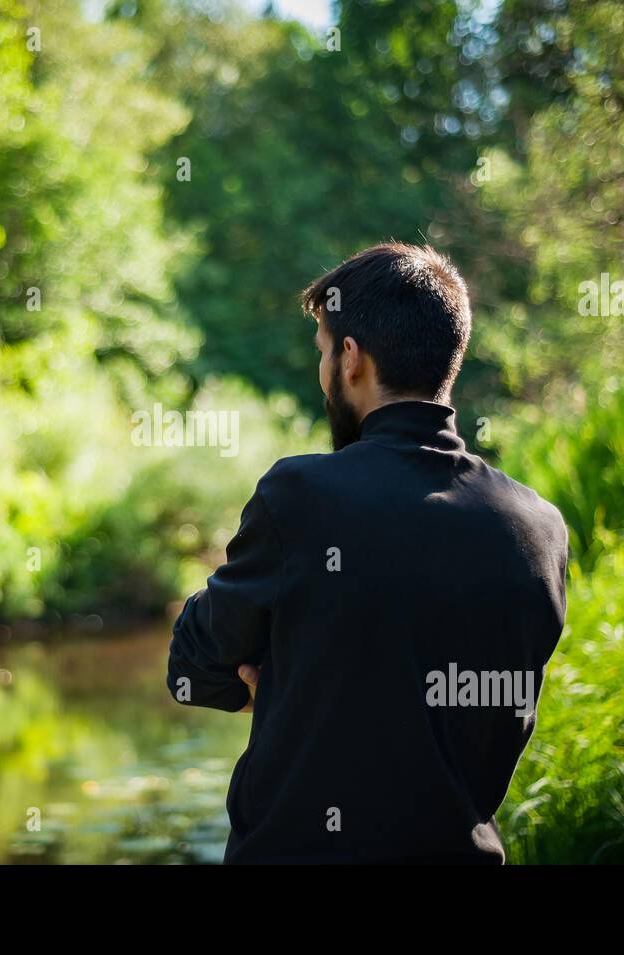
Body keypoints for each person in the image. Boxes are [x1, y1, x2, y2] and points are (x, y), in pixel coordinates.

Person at [165, 242, 569, 864]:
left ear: (351, 359)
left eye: (324, 352)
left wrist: (277, 680)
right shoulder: (539, 529)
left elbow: (191, 670)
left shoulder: (299, 496)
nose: (324, 372)